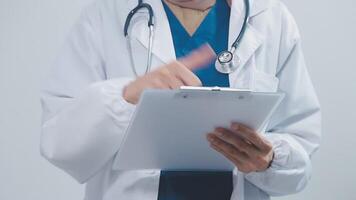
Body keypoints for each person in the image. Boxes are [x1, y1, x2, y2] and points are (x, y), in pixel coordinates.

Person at [40, 0, 321, 199]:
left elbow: (301, 148)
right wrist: (125, 97)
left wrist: (269, 160)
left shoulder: (271, 20)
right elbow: (59, 144)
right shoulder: (104, 16)